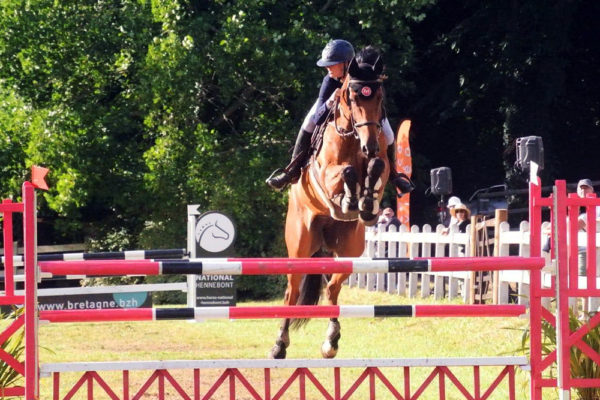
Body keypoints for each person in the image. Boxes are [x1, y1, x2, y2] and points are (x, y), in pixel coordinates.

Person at [266, 41, 412, 195]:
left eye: (332, 64)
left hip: (364, 115)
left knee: (389, 136)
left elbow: (375, 98)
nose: (327, 67)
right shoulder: (329, 81)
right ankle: (291, 171)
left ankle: (394, 175)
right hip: (331, 109)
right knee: (308, 122)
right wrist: (330, 102)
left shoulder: (362, 76)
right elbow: (317, 119)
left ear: (346, 64)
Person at [576, 179, 600, 275]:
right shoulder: (574, 208)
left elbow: (573, 226)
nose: (583, 191)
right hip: (575, 250)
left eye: (586, 188)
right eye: (581, 189)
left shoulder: (596, 208)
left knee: (583, 281)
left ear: (592, 190)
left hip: (586, 252)